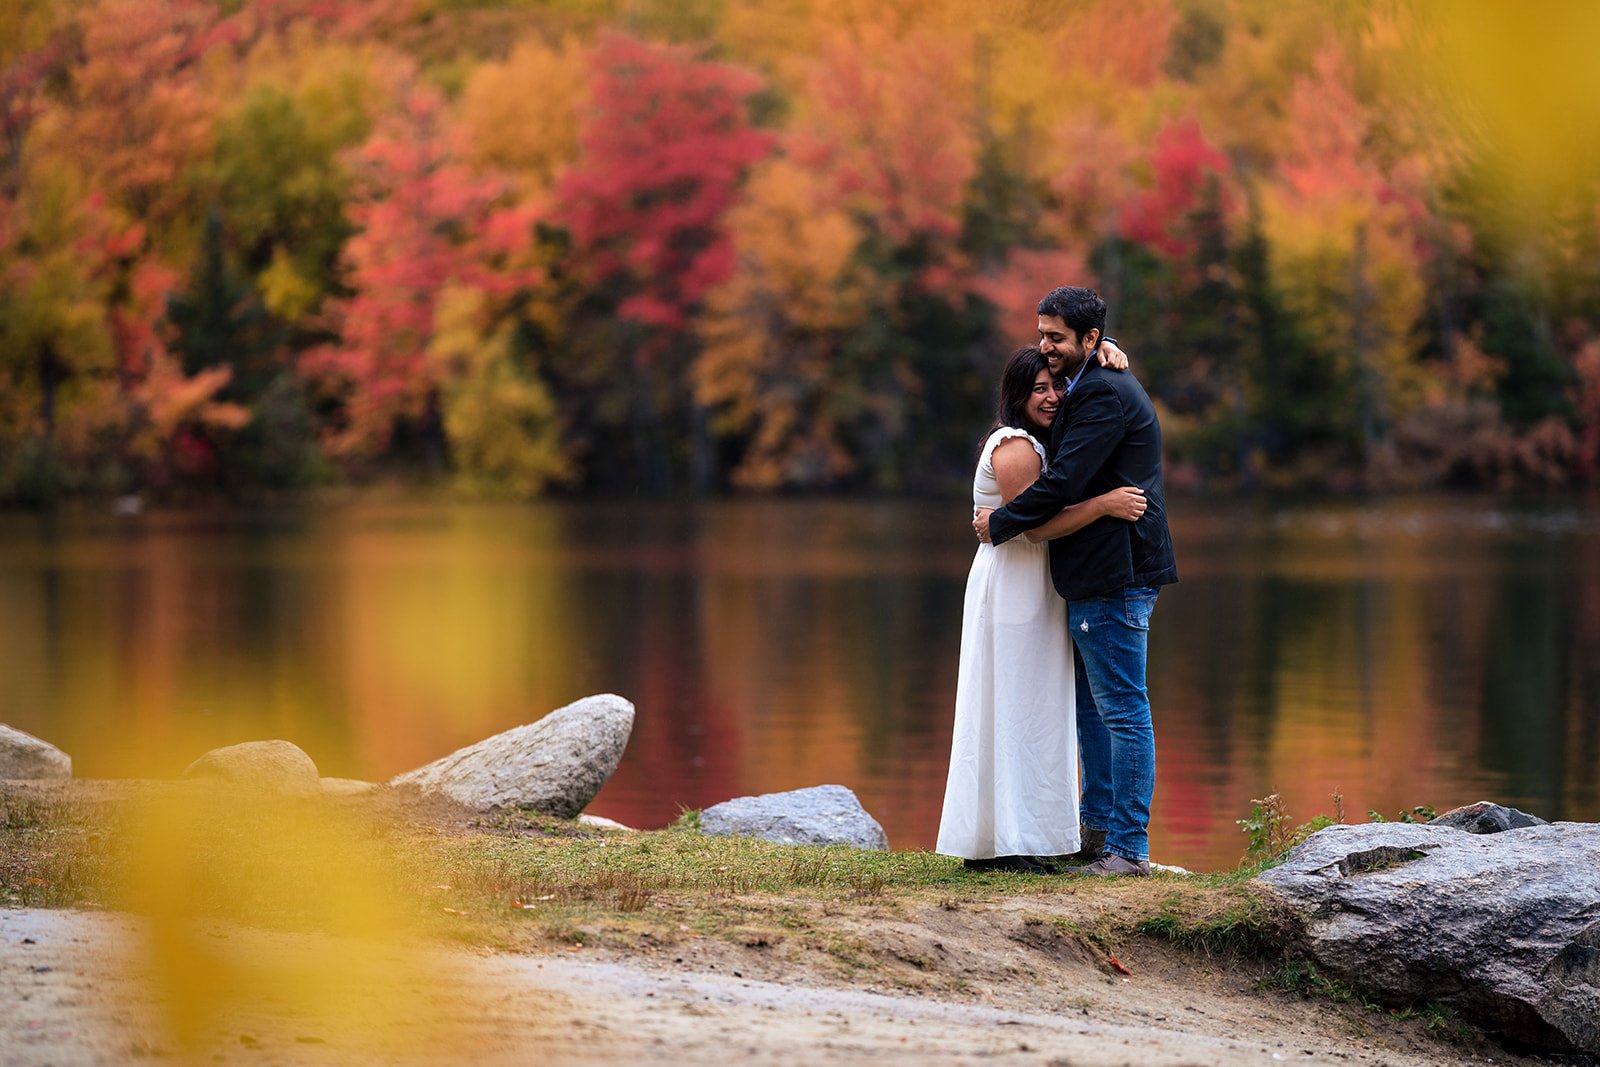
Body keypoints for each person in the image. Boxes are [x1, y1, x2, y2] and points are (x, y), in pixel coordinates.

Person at [975, 287, 1177, 878]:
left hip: (1116, 570)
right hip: (1097, 573)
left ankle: (1128, 851)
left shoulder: (1100, 396)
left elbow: (1062, 482)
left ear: (1088, 339)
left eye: (1056, 337)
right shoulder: (1094, 377)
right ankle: (1098, 834)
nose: (1045, 346)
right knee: (1095, 710)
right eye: (1041, 334)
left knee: (1121, 711)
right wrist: (1106, 346)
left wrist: (999, 524)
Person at [938, 345, 1148, 872]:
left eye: (1057, 386)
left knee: (1026, 711)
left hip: (1031, 586)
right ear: (1016, 395)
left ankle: (1011, 839)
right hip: (1013, 589)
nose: (1053, 397)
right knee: (1015, 711)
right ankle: (1010, 842)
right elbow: (1034, 527)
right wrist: (1104, 504)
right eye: (1039, 390)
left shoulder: (1036, 440)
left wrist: (1107, 349)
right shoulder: (1015, 448)